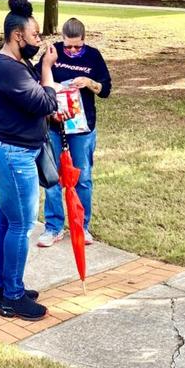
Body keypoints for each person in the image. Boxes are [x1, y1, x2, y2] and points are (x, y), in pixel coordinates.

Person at [0, 0, 61, 321]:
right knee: (21, 224)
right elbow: (45, 102)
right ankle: (11, 297)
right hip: (9, 156)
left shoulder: (13, 65)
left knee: (6, 221)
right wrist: (48, 69)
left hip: (5, 152)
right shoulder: (7, 68)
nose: (38, 41)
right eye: (36, 35)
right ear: (17, 36)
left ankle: (5, 288)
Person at [37, 18, 112, 248]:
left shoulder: (93, 56)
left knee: (83, 178)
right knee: (53, 178)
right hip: (55, 126)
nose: (71, 50)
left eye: (77, 46)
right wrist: (52, 86)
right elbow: (36, 80)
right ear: (62, 39)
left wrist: (89, 82)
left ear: (84, 41)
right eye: (68, 45)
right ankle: (54, 227)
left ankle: (81, 226)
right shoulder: (52, 53)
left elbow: (105, 90)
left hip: (82, 128)